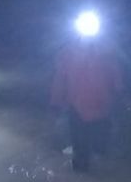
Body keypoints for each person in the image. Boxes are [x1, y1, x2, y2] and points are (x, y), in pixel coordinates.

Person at [50, 13, 123, 173]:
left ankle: (99, 181)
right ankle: (83, 172)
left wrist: (119, 95)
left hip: (102, 105)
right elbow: (60, 78)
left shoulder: (107, 52)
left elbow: (115, 75)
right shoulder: (67, 52)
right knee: (81, 151)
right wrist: (56, 102)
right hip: (77, 105)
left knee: (100, 147)